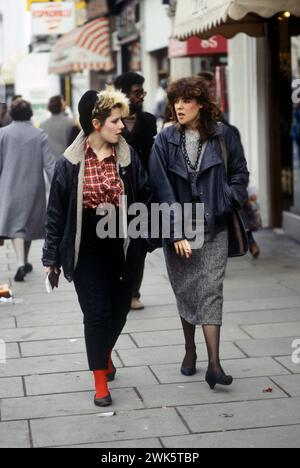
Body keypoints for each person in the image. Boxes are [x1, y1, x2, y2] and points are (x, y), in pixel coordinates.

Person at [42, 87, 153, 407]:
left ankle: (104, 353)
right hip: (85, 247)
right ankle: (100, 381)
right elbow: (56, 214)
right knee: (97, 312)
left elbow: (145, 196)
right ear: (95, 122)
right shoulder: (69, 163)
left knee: (118, 313)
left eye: (123, 121)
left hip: (122, 246)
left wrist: (144, 241)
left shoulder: (129, 158)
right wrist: (51, 258)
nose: (122, 126)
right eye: (116, 121)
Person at [149, 76, 249, 390]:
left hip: (215, 226)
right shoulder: (164, 141)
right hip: (181, 227)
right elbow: (160, 188)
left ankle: (214, 365)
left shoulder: (225, 135)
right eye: (175, 101)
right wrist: (175, 231)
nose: (179, 106)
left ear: (201, 105)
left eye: (186, 100)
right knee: (186, 290)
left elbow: (240, 173)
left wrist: (228, 198)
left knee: (211, 290)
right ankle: (190, 349)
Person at [114, 72, 157, 311]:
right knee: (115, 242)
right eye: (136, 92)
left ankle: (133, 293)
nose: (140, 96)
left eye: (142, 92)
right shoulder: (111, 121)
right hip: (114, 192)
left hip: (142, 192)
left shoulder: (149, 121)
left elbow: (154, 156)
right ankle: (117, 288)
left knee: (138, 245)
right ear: (123, 93)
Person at [0, 99, 55, 281]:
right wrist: (58, 185)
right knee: (28, 223)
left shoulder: (3, 134)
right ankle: (22, 262)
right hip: (33, 186)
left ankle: (21, 263)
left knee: (17, 226)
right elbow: (50, 165)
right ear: (30, 113)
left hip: (9, 185)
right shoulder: (39, 135)